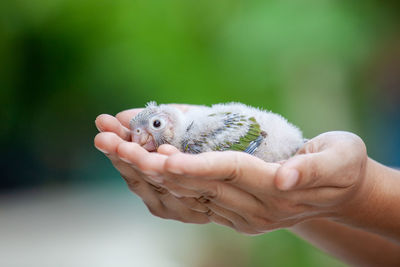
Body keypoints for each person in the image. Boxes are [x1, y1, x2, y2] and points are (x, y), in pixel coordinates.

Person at [94, 105, 400, 266]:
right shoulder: (190, 132)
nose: (143, 138)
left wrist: (363, 192)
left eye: (154, 126)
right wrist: (318, 201)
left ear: (170, 123)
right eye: (138, 134)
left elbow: (260, 137)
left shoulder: (192, 137)